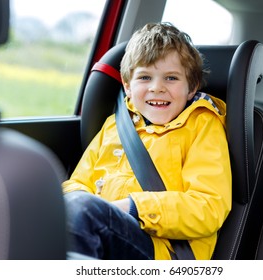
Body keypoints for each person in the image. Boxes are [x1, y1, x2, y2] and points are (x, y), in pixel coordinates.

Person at [62, 22, 231, 260]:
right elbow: (77, 184)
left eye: (171, 78)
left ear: (191, 87)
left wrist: (133, 208)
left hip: (163, 250)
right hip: (99, 226)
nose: (157, 88)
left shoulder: (202, 126)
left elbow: (208, 207)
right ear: (128, 86)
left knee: (82, 211)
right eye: (145, 77)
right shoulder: (116, 125)